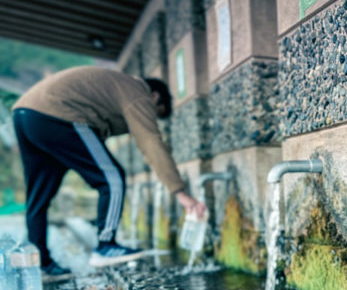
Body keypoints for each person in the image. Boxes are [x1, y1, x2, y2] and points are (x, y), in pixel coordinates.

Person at [12, 66, 206, 275]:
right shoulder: (138, 92)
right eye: (154, 112)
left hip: (24, 114)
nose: (149, 117)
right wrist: (180, 193)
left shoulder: (113, 88)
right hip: (58, 114)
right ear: (155, 97)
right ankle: (106, 246)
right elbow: (151, 142)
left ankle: (39, 263)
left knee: (38, 196)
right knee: (112, 178)